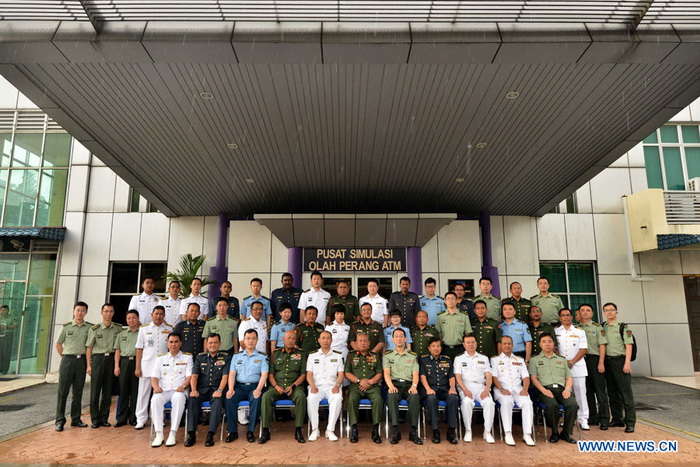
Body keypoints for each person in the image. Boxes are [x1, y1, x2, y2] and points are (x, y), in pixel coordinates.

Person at [528, 333, 578, 443]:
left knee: (572, 405)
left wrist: (567, 390)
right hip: (544, 390)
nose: (547, 344)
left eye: (550, 341)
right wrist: (544, 390)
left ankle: (566, 432)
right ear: (540, 344)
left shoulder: (561, 359)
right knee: (552, 405)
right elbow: (534, 378)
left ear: (554, 344)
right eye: (544, 342)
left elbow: (568, 377)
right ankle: (554, 432)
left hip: (561, 390)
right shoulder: (534, 360)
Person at [259, 330, 307, 444]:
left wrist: (293, 386)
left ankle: (298, 430)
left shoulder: (300, 354)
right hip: (277, 387)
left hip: (294, 387)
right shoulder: (275, 354)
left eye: (293, 338)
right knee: (266, 396)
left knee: (301, 396)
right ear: (283, 340)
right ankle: (265, 430)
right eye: (288, 338)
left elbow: (303, 375)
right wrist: (276, 386)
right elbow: (270, 374)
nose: (290, 341)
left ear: (295, 341)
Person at [185, 333, 230, 447]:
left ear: (220, 344)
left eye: (215, 342)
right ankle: (191, 434)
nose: (213, 345)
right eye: (210, 343)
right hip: (202, 390)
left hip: (216, 389)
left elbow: (225, 376)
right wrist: (194, 390)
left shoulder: (225, 357)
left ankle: (211, 434)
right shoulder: (200, 357)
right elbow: (194, 376)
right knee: (192, 399)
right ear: (206, 344)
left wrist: (220, 390)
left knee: (217, 401)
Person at [150, 332, 193, 447]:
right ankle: (159, 434)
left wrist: (184, 386)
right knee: (155, 400)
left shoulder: (187, 357)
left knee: (178, 399)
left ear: (180, 343)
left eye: (176, 342)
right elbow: (154, 376)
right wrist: (155, 387)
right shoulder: (160, 358)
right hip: (163, 390)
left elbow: (189, 376)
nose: (173, 344)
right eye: (171, 342)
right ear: (167, 344)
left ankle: (172, 433)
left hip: (179, 390)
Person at [490, 335, 535, 446]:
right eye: (504, 343)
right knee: (506, 402)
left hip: (518, 389)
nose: (507, 346)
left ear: (513, 345)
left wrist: (525, 389)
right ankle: (508, 433)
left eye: (509, 343)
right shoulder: (495, 360)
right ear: (500, 345)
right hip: (501, 389)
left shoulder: (519, 360)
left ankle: (527, 434)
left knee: (528, 403)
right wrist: (501, 389)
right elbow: (494, 377)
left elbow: (525, 377)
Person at [225, 329, 269, 443]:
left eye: (253, 338)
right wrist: (230, 389)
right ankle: (232, 431)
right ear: (244, 340)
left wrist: (259, 389)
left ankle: (250, 431)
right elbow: (232, 374)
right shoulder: (236, 356)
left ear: (257, 340)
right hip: (239, 387)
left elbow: (264, 375)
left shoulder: (262, 357)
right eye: (248, 338)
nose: (250, 341)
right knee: (229, 398)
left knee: (256, 399)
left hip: (254, 387)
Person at [134, 306, 173, 429]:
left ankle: (158, 419)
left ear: (164, 315)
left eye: (161, 314)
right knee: (143, 394)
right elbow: (139, 349)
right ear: (152, 314)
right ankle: (141, 419)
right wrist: (137, 367)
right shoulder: (144, 329)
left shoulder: (169, 329)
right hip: (147, 366)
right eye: (156, 313)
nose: (158, 316)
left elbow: (170, 349)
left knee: (159, 394)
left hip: (162, 368)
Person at [55, 301, 91, 431]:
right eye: (78, 310)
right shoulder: (66, 327)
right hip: (68, 360)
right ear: (73, 311)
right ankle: (59, 421)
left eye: (82, 310)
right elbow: (58, 344)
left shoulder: (89, 328)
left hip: (81, 361)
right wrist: (64, 358)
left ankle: (76, 419)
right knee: (63, 391)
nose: (80, 312)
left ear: (86, 312)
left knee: (78, 391)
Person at [453, 333, 496, 443]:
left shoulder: (484, 358)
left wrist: (487, 390)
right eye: (468, 342)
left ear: (476, 343)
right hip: (465, 387)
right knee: (467, 402)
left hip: (481, 387)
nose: (471, 344)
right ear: (464, 344)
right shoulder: (458, 358)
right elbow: (458, 377)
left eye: (472, 342)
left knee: (489, 403)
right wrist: (465, 390)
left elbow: (488, 376)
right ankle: (468, 430)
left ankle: (487, 431)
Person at [383, 328, 422, 445]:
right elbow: (386, 373)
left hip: (409, 385)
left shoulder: (413, 355)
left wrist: (414, 386)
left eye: (401, 336)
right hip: (394, 384)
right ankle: (396, 431)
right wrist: (390, 386)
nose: (399, 339)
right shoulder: (387, 355)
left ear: (405, 339)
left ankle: (413, 431)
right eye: (396, 336)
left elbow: (416, 373)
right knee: (391, 396)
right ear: (393, 339)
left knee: (415, 398)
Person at [601, 302, 636, 433]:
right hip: (608, 362)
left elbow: (629, 345)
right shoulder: (603, 326)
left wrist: (627, 363)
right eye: (606, 310)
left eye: (611, 310)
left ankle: (630, 422)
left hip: (620, 361)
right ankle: (617, 419)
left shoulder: (623, 327)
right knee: (612, 392)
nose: (609, 312)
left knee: (625, 393)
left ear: (616, 311)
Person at [86, 303, 122, 428]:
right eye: (106, 311)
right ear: (102, 312)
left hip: (111, 360)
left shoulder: (118, 328)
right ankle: (95, 419)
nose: (108, 314)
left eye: (111, 311)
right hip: (98, 360)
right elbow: (89, 348)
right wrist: (88, 365)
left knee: (107, 391)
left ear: (113, 313)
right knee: (95, 391)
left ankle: (104, 418)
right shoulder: (94, 329)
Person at [555, 307, 589, 430]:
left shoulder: (580, 331)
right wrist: (564, 362)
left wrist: (572, 361)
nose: (566, 317)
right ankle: (569, 419)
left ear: (571, 317)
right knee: (566, 394)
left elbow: (584, 349)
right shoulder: (556, 331)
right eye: (563, 315)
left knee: (580, 394)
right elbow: (555, 349)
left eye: (568, 315)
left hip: (578, 366)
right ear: (560, 317)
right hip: (562, 367)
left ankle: (583, 419)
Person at [345, 332, 383, 443]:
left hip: (372, 386)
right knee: (352, 399)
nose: (362, 343)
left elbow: (379, 373)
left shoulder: (375, 355)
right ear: (356, 343)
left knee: (378, 399)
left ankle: (375, 430)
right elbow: (347, 373)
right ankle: (354, 429)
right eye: (360, 341)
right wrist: (359, 381)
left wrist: (370, 382)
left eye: (365, 341)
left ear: (369, 343)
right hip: (356, 386)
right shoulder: (351, 355)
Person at [419, 338, 459, 444]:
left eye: (438, 346)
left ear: (441, 348)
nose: (436, 348)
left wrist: (452, 388)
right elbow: (422, 376)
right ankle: (435, 431)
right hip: (431, 389)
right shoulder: (424, 360)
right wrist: (428, 389)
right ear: (429, 348)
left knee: (453, 398)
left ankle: (451, 431)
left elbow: (451, 377)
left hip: (445, 389)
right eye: (433, 346)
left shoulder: (447, 360)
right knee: (431, 399)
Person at [306, 331, 344, 441]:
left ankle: (330, 430)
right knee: (311, 398)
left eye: (328, 338)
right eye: (323, 338)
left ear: (332, 340)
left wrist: (337, 385)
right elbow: (309, 374)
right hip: (317, 386)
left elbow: (341, 374)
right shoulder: (312, 356)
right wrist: (312, 385)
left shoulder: (338, 355)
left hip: (332, 386)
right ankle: (315, 429)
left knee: (337, 399)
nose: (325, 340)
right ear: (319, 340)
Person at [578, 303, 610, 430]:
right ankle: (592, 417)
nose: (585, 312)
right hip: (581, 360)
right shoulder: (576, 328)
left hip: (595, 359)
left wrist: (601, 362)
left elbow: (602, 345)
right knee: (587, 391)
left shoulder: (597, 327)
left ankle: (605, 419)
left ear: (592, 313)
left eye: (588, 310)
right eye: (582, 310)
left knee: (600, 391)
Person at [114, 309, 140, 427]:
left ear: (138, 318)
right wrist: (116, 366)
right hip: (124, 363)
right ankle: (121, 418)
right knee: (123, 391)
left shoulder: (142, 333)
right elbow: (118, 351)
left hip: (136, 362)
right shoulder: (121, 334)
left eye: (133, 318)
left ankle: (133, 417)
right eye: (129, 318)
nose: (131, 320)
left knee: (135, 391)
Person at [435, 292, 472, 360]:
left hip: (460, 348)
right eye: (448, 299)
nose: (450, 300)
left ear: (456, 301)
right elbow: (437, 334)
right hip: (445, 349)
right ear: (445, 301)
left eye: (453, 298)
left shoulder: (464, 316)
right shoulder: (440, 316)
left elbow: (468, 333)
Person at [0, 304, 18, 374]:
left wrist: (6, 327)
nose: (2, 312)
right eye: (1, 310)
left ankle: (4, 369)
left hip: (8, 335)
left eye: (4, 310)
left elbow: (16, 325)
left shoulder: (11, 317)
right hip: (0, 334)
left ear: (7, 311)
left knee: (6, 352)